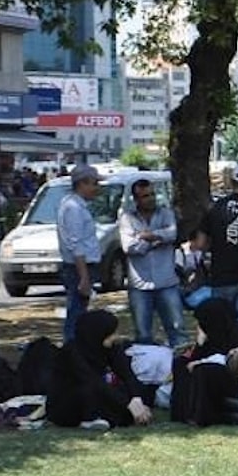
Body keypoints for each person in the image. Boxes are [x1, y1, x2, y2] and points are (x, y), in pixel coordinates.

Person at [47, 310, 153, 431]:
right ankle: (89, 419)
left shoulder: (111, 347)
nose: (115, 337)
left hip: (100, 390)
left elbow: (127, 374)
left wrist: (136, 399)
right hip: (70, 399)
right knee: (89, 390)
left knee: (134, 390)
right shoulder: (72, 351)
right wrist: (127, 404)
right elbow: (92, 380)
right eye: (111, 333)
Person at [171, 298, 238, 426]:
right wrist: (199, 345)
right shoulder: (211, 333)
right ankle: (183, 412)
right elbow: (195, 360)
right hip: (215, 376)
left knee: (205, 371)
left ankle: (202, 415)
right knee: (180, 363)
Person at [119, 179, 186, 347]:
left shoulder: (166, 213)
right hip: (140, 285)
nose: (150, 199)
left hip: (167, 282)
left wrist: (146, 235)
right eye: (144, 196)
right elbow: (129, 247)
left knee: (177, 330)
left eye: (152, 194)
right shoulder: (127, 218)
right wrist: (157, 240)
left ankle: (182, 366)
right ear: (136, 199)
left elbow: (172, 234)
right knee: (143, 334)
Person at [201, 164, 238, 330]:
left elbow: (201, 243)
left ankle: (221, 353)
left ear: (232, 182)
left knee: (219, 322)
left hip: (220, 274)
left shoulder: (215, 208)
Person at [57, 164, 103, 342]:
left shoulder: (76, 205)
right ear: (82, 184)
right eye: (93, 184)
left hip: (82, 267)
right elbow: (76, 244)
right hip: (78, 269)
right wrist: (83, 277)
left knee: (80, 313)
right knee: (76, 315)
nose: (96, 188)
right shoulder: (73, 208)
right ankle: (71, 352)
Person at [185, 347, 238, 411]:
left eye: (235, 351)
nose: (236, 348)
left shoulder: (219, 358)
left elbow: (204, 361)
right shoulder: (219, 360)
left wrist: (194, 363)